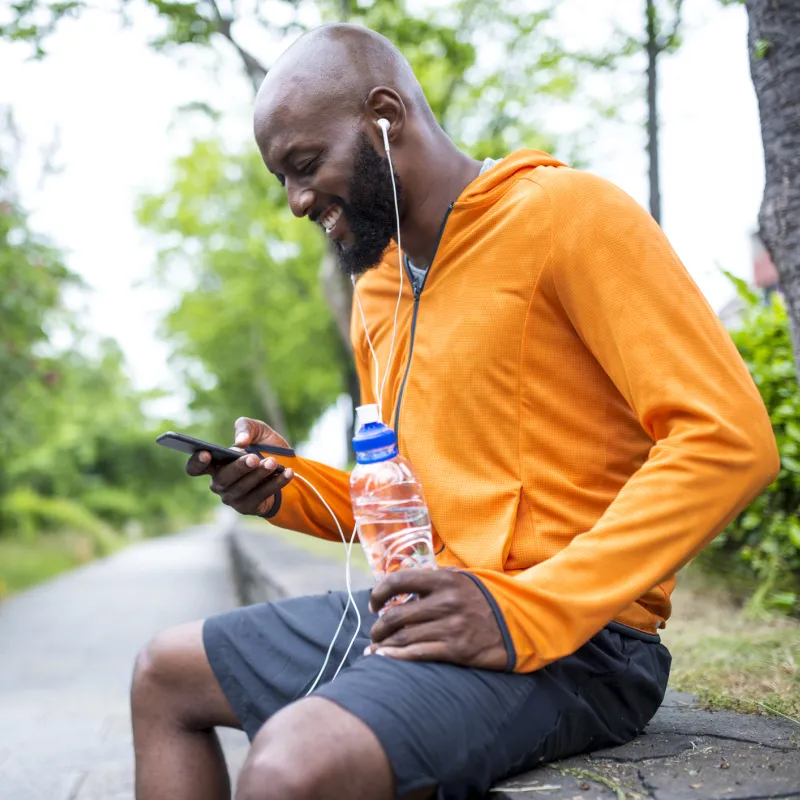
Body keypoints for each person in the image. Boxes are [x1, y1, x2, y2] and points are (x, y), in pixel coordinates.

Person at [130, 22, 780, 800]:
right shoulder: (376, 287)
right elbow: (412, 493)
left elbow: (728, 441)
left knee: (291, 764)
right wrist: (287, 487)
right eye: (283, 180)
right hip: (436, 609)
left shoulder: (569, 214)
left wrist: (531, 608)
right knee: (163, 674)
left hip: (585, 643)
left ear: (384, 114)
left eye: (306, 167)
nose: (298, 202)